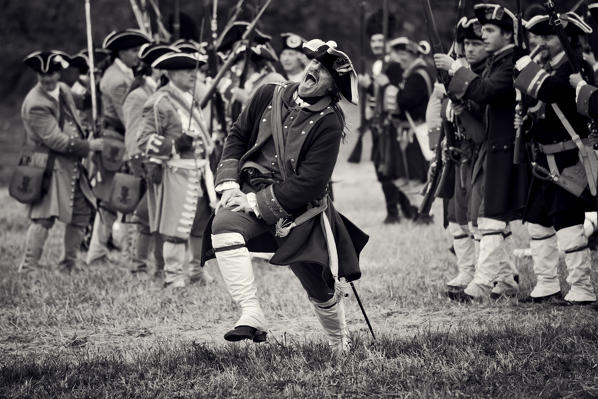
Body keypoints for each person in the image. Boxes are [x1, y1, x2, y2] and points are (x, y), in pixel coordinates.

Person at [202, 39, 368, 353]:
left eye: (323, 70)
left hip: (299, 209)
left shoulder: (330, 122)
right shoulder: (268, 93)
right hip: (249, 191)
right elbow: (237, 136)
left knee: (319, 284)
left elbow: (310, 182)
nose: (312, 68)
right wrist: (229, 185)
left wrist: (254, 202)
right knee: (222, 227)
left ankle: (338, 342)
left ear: (334, 89)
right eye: (314, 63)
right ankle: (252, 313)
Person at [434, 3, 530, 301]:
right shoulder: (496, 62)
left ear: (507, 34)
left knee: (491, 218)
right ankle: (502, 280)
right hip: (490, 147)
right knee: (484, 219)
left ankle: (483, 283)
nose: (484, 36)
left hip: (503, 148)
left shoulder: (511, 62)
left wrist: (456, 70)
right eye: (483, 30)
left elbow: (487, 92)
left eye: (489, 30)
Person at [514, 12, 596, 304]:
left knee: (568, 222)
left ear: (566, 39)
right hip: (545, 160)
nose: (542, 42)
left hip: (568, 158)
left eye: (548, 37)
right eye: (542, 37)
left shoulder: (577, 67)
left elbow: (548, 91)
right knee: (538, 220)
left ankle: (582, 287)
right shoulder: (549, 66)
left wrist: (524, 65)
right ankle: (547, 283)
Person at [17, 50, 104, 272]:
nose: (47, 79)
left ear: (59, 72)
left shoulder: (63, 89)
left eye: (51, 73)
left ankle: (68, 263)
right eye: (41, 75)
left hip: (70, 165)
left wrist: (92, 84)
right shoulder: (35, 103)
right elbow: (56, 140)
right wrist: (88, 146)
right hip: (48, 165)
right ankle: (28, 268)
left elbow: (82, 102)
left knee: (82, 212)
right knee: (44, 218)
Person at [138, 51, 216, 288]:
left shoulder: (189, 98)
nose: (194, 74)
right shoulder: (159, 101)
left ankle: (195, 270)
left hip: (200, 171)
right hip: (176, 172)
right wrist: (173, 145)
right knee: (176, 228)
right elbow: (144, 140)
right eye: (187, 70)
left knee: (200, 225)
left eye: (195, 70)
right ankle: (173, 276)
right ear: (171, 74)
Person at [86, 29, 151, 266]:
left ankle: (100, 251)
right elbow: (128, 117)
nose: (137, 55)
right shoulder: (117, 80)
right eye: (134, 51)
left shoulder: (120, 74)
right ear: (122, 52)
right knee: (113, 199)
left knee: (113, 200)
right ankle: (99, 252)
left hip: (117, 141)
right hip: (117, 142)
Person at [441, 17, 489, 292]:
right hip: (457, 155)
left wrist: (461, 109)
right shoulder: (458, 74)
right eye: (466, 43)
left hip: (476, 154)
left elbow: (481, 130)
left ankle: (491, 274)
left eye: (475, 43)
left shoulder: (479, 78)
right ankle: (466, 270)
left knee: (477, 219)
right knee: (456, 217)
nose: (469, 49)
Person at [122, 43, 174, 277]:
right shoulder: (138, 95)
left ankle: (151, 266)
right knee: (144, 217)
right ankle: (138, 265)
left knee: (154, 217)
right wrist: (141, 162)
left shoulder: (155, 92)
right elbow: (134, 133)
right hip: (144, 160)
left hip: (159, 158)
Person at [358, 9, 408, 224]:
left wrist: (370, 87)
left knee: (390, 169)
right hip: (378, 125)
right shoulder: (376, 65)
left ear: (388, 41)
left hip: (392, 125)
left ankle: (400, 212)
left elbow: (394, 95)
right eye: (373, 40)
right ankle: (403, 211)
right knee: (382, 169)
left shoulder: (395, 64)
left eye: (380, 39)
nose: (376, 44)